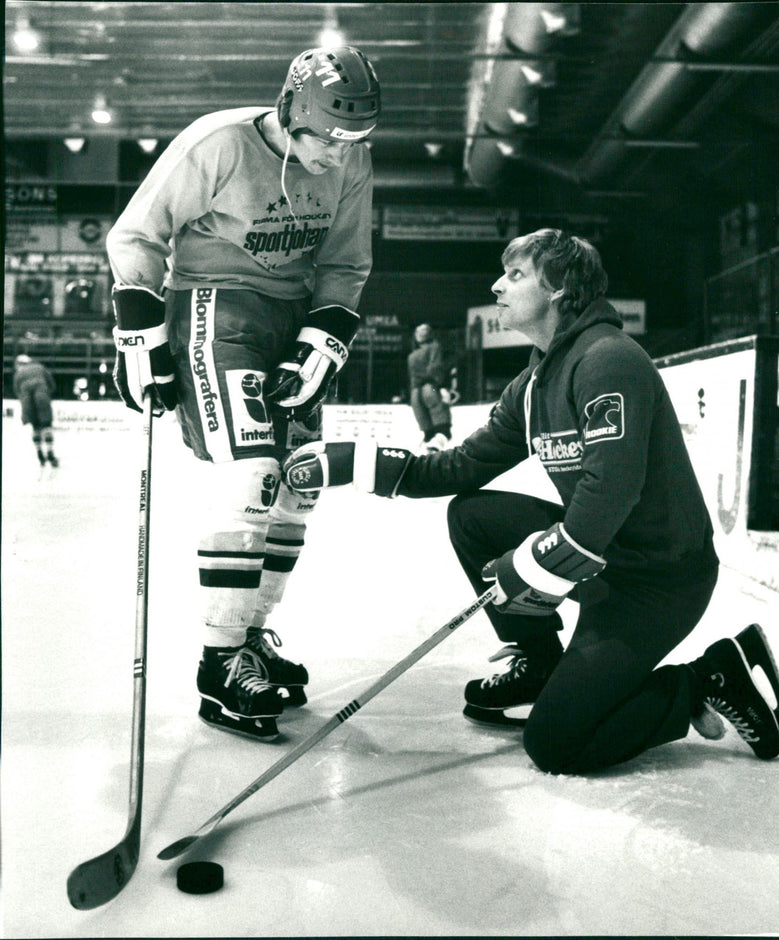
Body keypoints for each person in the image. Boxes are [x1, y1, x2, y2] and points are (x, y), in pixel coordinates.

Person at [283, 228, 779, 773]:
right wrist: (352, 462)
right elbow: (462, 466)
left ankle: (704, 679)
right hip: (606, 560)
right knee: (473, 516)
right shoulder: (533, 383)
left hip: (660, 580)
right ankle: (540, 663)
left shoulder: (608, 359)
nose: (497, 286)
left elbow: (610, 490)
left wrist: (532, 567)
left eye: (516, 275)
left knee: (557, 744)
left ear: (559, 288)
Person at [105, 46, 381, 742]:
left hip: (292, 316)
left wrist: (324, 337)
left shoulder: (348, 160)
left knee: (298, 484)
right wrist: (140, 330)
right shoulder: (217, 143)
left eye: (357, 140)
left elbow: (346, 262)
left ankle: (249, 637)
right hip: (214, 305)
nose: (339, 154)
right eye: (329, 136)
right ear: (292, 111)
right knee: (252, 472)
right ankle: (220, 660)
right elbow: (137, 235)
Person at [407, 322, 453, 452]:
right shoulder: (434, 347)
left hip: (415, 393)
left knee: (428, 431)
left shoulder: (412, 356)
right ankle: (435, 448)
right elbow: (435, 368)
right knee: (442, 427)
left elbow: (412, 378)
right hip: (430, 388)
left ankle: (428, 452)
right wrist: (443, 387)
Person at [13, 354, 59, 469]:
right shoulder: (40, 368)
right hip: (42, 397)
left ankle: (39, 453)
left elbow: (17, 391)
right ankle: (50, 452)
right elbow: (52, 385)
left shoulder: (18, 374)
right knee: (46, 426)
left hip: (27, 401)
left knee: (35, 427)